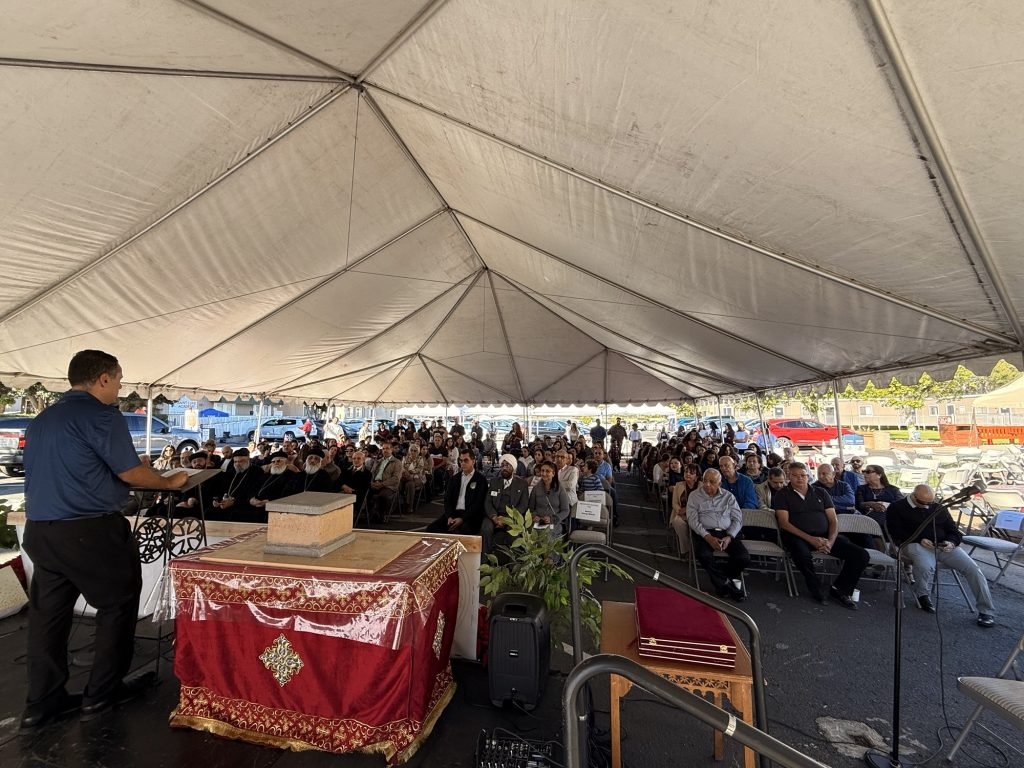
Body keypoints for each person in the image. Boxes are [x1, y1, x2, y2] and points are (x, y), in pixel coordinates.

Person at [20, 350, 188, 730]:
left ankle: (41, 702)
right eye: (119, 379)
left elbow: (74, 468)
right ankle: (101, 694)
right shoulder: (102, 415)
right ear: (103, 379)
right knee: (117, 606)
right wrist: (168, 481)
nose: (120, 387)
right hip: (89, 531)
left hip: (42, 530)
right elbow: (131, 475)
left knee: (48, 617)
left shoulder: (43, 419)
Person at [887, 485, 997, 627]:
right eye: (923, 502)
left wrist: (951, 542)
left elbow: (954, 531)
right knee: (925, 565)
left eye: (930, 502)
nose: (927, 505)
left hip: (943, 546)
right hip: (914, 543)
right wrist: (919, 539)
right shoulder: (897, 507)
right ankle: (922, 594)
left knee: (973, 569)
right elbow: (895, 531)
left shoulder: (938, 507)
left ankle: (986, 610)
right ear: (913, 496)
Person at [774, 462, 869, 608]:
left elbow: (833, 520)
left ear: (808, 476)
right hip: (797, 536)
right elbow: (784, 523)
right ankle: (815, 587)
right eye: (795, 475)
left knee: (861, 555)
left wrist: (830, 541)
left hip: (824, 536)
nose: (800, 478)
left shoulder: (821, 492)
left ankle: (840, 589)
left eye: (803, 475)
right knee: (802, 554)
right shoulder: (782, 494)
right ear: (788, 476)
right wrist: (811, 539)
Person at [686, 469, 749, 601]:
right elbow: (693, 520)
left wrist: (729, 536)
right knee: (704, 555)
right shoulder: (694, 496)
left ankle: (721, 581)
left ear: (719, 483)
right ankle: (728, 585)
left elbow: (738, 519)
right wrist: (707, 537)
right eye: (705, 481)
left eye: (712, 482)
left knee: (743, 557)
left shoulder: (728, 496)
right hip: (705, 532)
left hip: (727, 533)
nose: (707, 484)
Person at [427, 449, 488, 535]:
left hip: (471, 516)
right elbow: (447, 499)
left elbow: (478, 504)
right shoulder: (454, 478)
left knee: (464, 531)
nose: (462, 463)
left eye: (466, 460)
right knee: (431, 529)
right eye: (461, 461)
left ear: (473, 461)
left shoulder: (480, 480)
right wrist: (449, 517)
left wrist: (462, 519)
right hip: (453, 513)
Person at [481, 454, 530, 554]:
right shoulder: (494, 482)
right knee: (486, 528)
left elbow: (523, 505)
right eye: (502, 465)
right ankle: (485, 558)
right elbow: (488, 502)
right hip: (494, 516)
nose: (504, 468)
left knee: (513, 532)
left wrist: (506, 519)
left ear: (513, 468)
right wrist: (494, 517)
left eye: (507, 465)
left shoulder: (522, 484)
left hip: (512, 517)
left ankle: (512, 561)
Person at [855, 465, 903, 531]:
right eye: (864, 471)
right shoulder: (861, 489)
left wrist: (885, 505)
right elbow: (859, 504)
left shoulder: (893, 489)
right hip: (868, 520)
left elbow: (901, 504)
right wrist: (871, 504)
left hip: (889, 518)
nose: (865, 474)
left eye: (868, 472)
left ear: (879, 475)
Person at [528, 460, 570, 534]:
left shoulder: (560, 489)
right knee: (531, 532)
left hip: (554, 523)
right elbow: (530, 508)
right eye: (542, 471)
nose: (544, 473)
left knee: (547, 535)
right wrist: (534, 516)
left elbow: (565, 510)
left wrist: (552, 519)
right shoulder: (536, 488)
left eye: (547, 471)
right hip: (538, 522)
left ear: (553, 473)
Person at [367, 441, 402, 519]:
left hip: (389, 486)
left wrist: (382, 484)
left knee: (382, 496)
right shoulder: (378, 461)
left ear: (391, 450)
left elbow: (396, 478)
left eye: (387, 448)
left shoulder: (397, 462)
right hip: (376, 483)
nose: (385, 450)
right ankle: (369, 512)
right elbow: (372, 473)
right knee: (364, 492)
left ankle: (382, 515)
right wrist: (372, 482)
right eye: (383, 449)